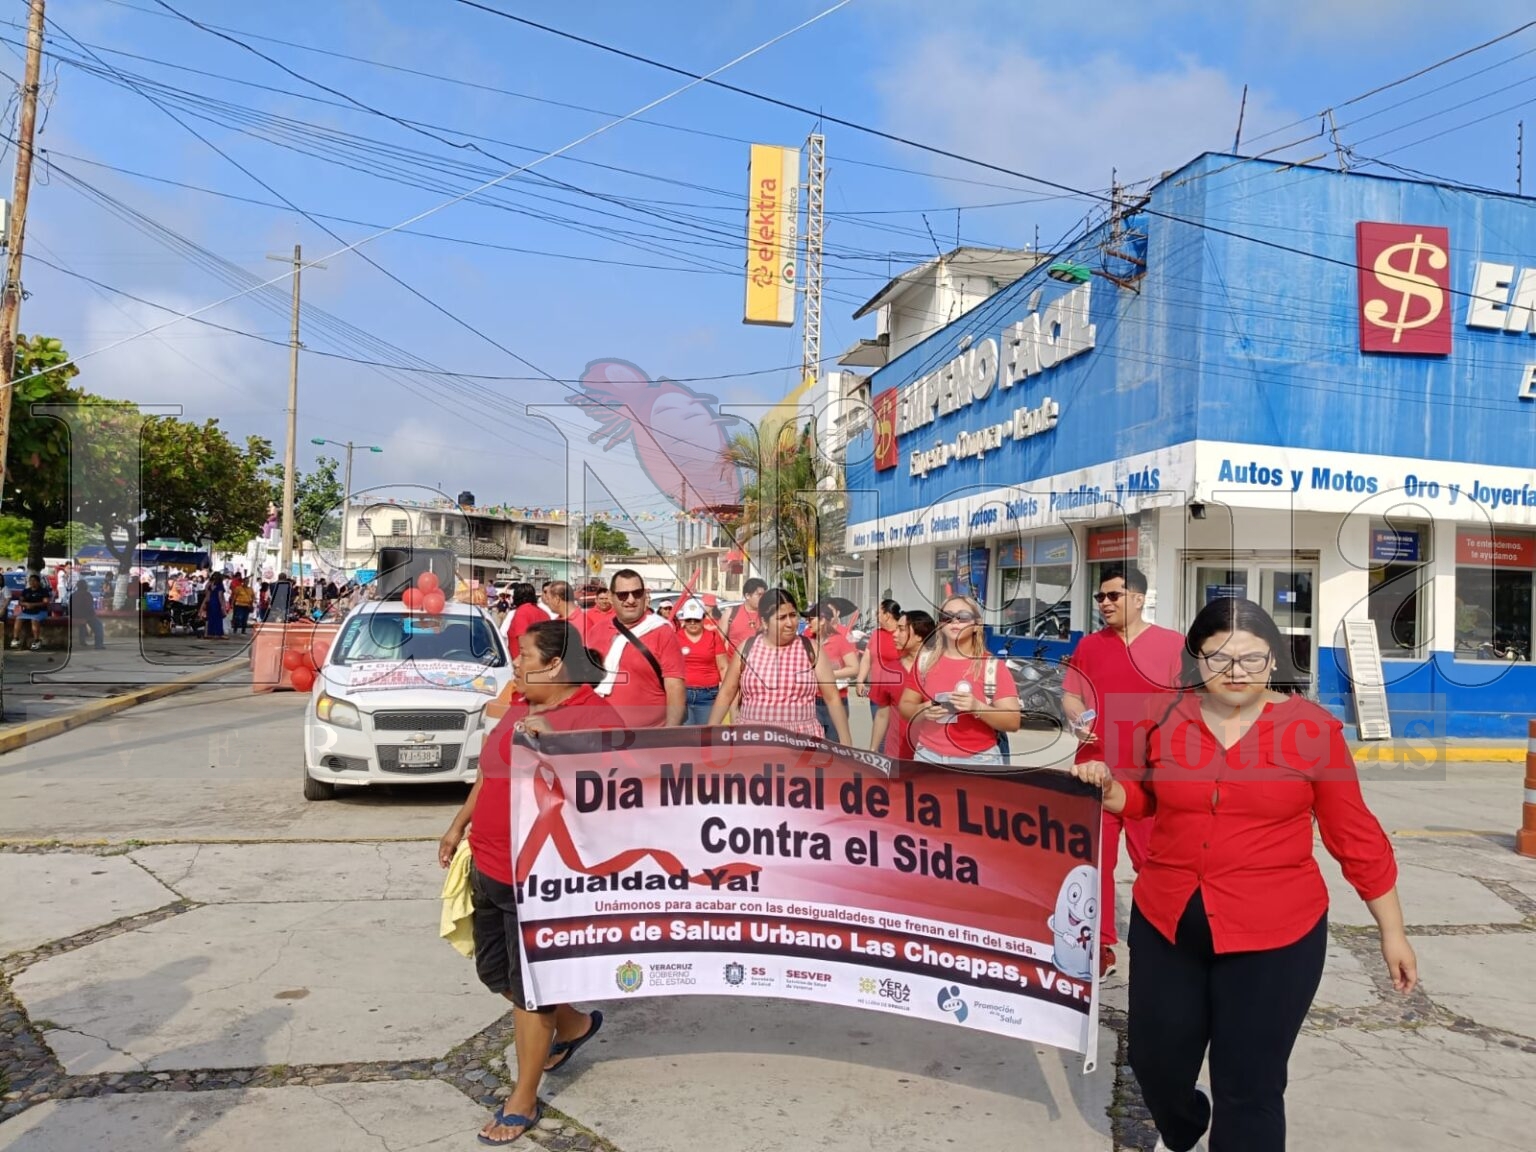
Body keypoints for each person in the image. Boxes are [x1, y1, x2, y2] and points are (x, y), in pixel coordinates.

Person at [1071, 597, 1417, 1152]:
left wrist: (1392, 929)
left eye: (1253, 659)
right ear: (1196, 660)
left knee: (1249, 1085)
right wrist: (1109, 789)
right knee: (1154, 1061)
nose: (1237, 672)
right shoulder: (1162, 716)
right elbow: (1145, 799)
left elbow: (1354, 835)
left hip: (1276, 932)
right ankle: (1184, 1126)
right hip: (1169, 921)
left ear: (1274, 661)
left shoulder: (1313, 730)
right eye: (1219, 658)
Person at [437, 621, 617, 1146]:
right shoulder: (518, 702)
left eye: (523, 654)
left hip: (538, 873)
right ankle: (575, 1026)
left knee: (531, 989)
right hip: (487, 861)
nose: (515, 664)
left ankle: (523, 1097)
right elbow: (489, 772)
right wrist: (458, 824)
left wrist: (563, 744)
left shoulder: (593, 713)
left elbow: (617, 781)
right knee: (493, 970)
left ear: (554, 664)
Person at [1061, 566, 1186, 979]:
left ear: (1138, 598)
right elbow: (1070, 693)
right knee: (1093, 865)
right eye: (1100, 598)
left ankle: (1164, 945)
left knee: (1154, 865)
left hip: (1150, 780)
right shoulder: (1090, 646)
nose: (1105, 604)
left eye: (1113, 596)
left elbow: (1191, 704)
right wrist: (1078, 717)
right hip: (1094, 770)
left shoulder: (1173, 645)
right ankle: (1100, 947)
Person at [708, 588, 852, 743]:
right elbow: (726, 694)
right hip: (753, 741)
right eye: (782, 618)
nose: (790, 623)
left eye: (793, 615)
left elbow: (832, 698)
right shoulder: (747, 648)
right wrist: (708, 736)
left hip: (801, 743)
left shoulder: (811, 650)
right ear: (764, 622)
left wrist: (846, 742)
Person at [898, 594, 1021, 767]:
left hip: (979, 760)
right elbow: (905, 706)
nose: (954, 622)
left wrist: (977, 707)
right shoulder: (925, 661)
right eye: (947, 617)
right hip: (928, 757)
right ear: (940, 625)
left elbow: (1013, 721)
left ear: (977, 625)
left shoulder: (991, 666)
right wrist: (921, 710)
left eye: (963, 617)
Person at [589, 570, 686, 728]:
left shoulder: (662, 632)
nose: (631, 600)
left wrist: (670, 732)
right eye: (623, 595)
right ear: (611, 598)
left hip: (648, 739)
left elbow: (675, 687)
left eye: (637, 593)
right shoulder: (597, 631)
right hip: (601, 736)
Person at [869, 610, 934, 759]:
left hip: (932, 755)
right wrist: (872, 750)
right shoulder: (890, 670)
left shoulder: (940, 669)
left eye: (901, 629)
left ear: (919, 635)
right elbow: (882, 714)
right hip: (896, 754)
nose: (894, 633)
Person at [807, 603, 859, 742]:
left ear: (823, 620)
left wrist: (828, 674)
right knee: (814, 747)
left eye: (811, 619)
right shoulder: (807, 640)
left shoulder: (839, 640)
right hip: (813, 700)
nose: (808, 622)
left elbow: (854, 668)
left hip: (837, 699)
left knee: (833, 746)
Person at [856, 599, 904, 748]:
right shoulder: (876, 634)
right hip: (877, 693)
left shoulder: (902, 634)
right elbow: (866, 658)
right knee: (880, 732)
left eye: (879, 613)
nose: (876, 616)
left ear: (887, 615)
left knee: (895, 733)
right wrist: (860, 680)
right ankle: (881, 763)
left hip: (898, 694)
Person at [676, 598, 727, 725]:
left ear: (703, 618)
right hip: (682, 695)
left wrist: (726, 695)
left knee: (706, 737)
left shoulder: (713, 637)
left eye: (696, 620)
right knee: (687, 739)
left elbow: (723, 667)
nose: (692, 623)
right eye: (689, 620)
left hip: (708, 695)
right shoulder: (675, 637)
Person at [11, 574, 52, 650]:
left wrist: (34, 605)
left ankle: (37, 641)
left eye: (34, 580)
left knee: (34, 620)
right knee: (18, 619)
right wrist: (26, 604)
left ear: (38, 582)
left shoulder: (43, 591)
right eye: (30, 581)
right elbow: (20, 602)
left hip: (40, 611)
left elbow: (45, 602)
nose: (32, 582)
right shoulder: (26, 591)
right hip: (27, 611)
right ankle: (15, 639)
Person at [725, 577, 767, 653]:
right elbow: (719, 642)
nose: (762, 598)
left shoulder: (767, 614)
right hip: (734, 662)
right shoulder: (731, 613)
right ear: (747, 596)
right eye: (759, 595)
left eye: (764, 595)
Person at [69, 581, 105, 651]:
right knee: (98, 626)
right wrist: (93, 615)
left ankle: (82, 642)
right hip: (85, 616)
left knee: (82, 626)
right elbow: (89, 608)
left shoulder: (73, 595)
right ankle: (98, 645)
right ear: (85, 586)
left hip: (74, 616)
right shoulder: (87, 595)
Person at [202, 572, 228, 639]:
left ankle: (210, 633)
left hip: (210, 602)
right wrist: (222, 605)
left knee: (211, 618)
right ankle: (218, 633)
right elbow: (220, 596)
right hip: (217, 603)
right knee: (218, 618)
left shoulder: (209, 584)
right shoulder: (219, 585)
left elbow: (206, 591)